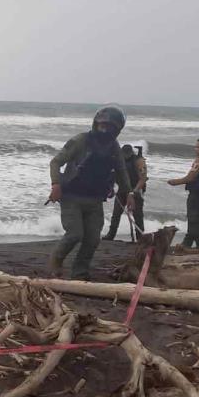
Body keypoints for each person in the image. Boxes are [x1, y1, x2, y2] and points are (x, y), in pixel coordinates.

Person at [48, 106, 135, 279]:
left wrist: (129, 193)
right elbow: (56, 162)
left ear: (117, 130)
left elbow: (121, 171)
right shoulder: (81, 140)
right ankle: (55, 263)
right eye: (102, 125)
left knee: (93, 239)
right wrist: (56, 185)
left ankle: (80, 272)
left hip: (95, 199)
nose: (105, 130)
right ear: (96, 124)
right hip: (72, 196)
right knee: (74, 234)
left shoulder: (113, 147)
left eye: (110, 127)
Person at [168, 137, 199, 252]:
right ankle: (188, 244)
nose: (195, 149)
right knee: (195, 220)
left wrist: (174, 182)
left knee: (194, 221)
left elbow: (190, 178)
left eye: (197, 146)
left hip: (197, 196)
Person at [102, 144, 147, 241]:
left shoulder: (139, 161)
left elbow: (143, 179)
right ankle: (111, 234)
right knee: (116, 214)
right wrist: (110, 188)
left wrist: (134, 192)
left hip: (135, 190)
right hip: (122, 190)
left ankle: (140, 238)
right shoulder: (117, 160)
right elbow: (113, 175)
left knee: (137, 215)